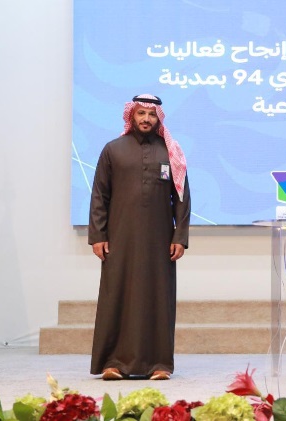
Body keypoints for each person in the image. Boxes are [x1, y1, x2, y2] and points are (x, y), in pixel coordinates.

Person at [88, 94, 191, 381]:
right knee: (116, 295)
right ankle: (113, 363)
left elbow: (182, 198)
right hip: (119, 237)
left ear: (159, 118)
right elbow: (99, 195)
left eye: (151, 114)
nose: (146, 119)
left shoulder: (171, 152)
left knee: (158, 297)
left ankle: (159, 364)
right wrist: (98, 235)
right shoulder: (113, 149)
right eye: (141, 113)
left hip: (160, 240)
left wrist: (180, 236)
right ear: (131, 115)